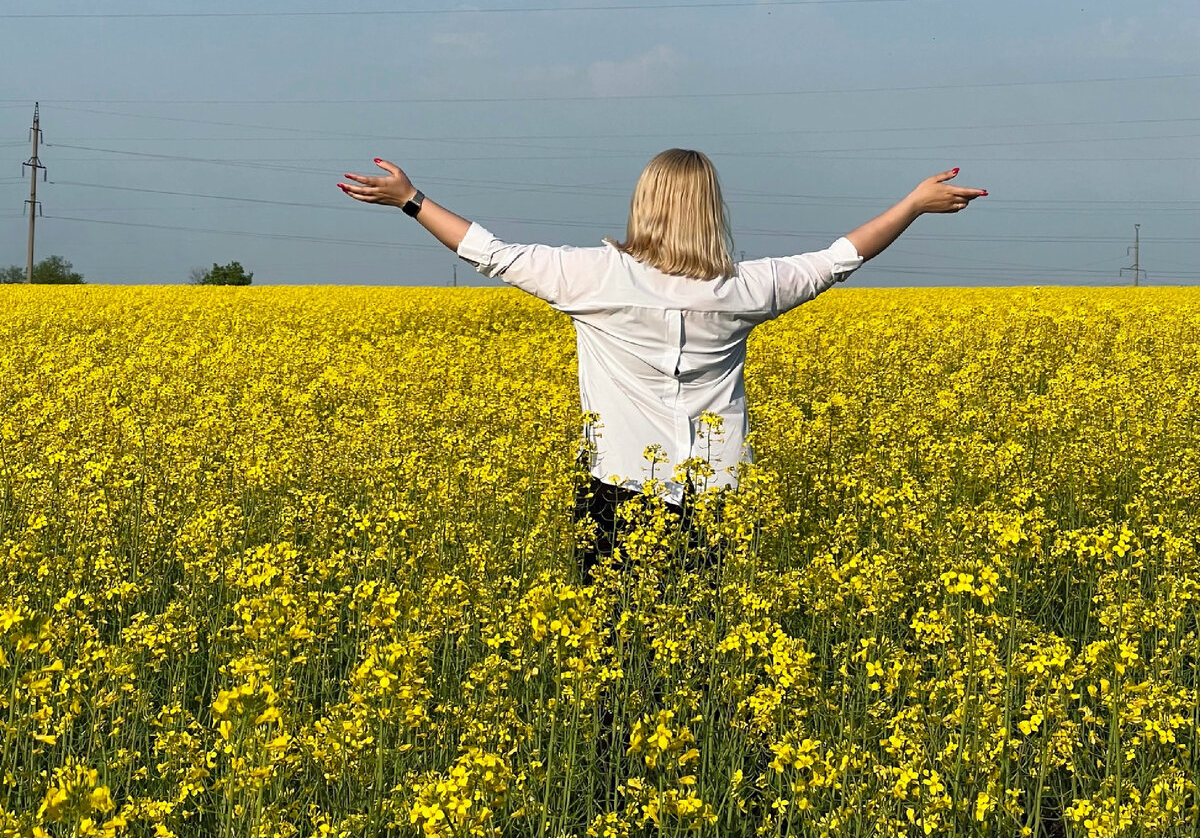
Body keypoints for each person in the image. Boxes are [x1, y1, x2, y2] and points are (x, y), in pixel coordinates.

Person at [337, 150, 987, 580]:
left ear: (644, 203)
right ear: (713, 210)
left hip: (618, 490)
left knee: (623, 655)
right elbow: (838, 258)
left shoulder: (593, 277)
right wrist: (911, 205)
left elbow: (490, 252)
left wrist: (410, 199)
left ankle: (618, 785)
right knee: (701, 651)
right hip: (717, 495)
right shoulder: (741, 288)